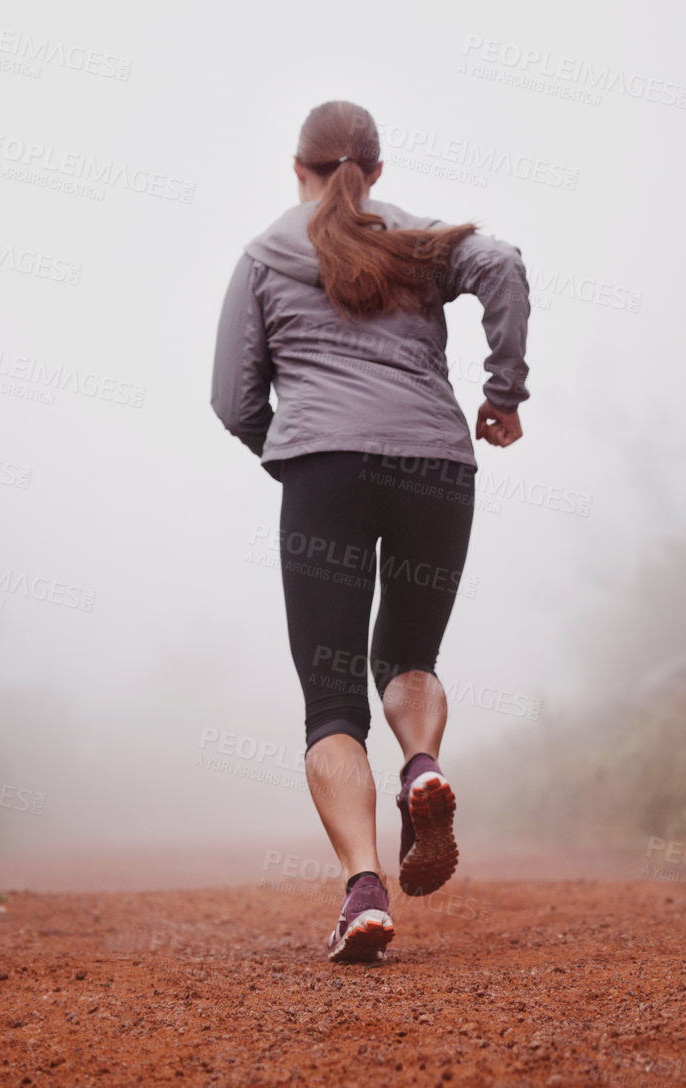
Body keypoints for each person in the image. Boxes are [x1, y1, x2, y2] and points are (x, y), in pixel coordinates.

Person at [211, 100, 531, 964]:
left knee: (330, 703)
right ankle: (422, 764)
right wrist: (501, 396)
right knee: (410, 661)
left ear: (297, 167)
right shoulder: (419, 240)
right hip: (434, 467)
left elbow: (233, 400)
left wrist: (293, 446)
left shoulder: (262, 257)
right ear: (377, 172)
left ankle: (362, 891)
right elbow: (498, 260)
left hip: (326, 475)